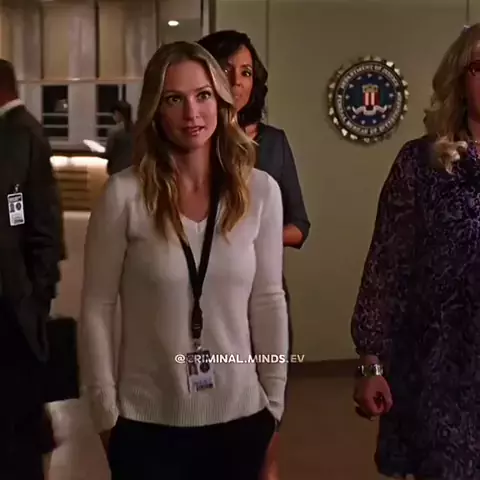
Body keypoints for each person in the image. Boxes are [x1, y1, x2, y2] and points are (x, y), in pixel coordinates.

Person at [78, 41, 288, 480]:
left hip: (241, 419)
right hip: (147, 426)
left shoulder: (261, 192)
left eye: (203, 95)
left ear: (221, 101)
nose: (192, 112)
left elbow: (268, 301)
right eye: (174, 99)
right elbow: (97, 307)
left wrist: (274, 405)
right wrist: (105, 413)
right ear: (156, 109)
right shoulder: (124, 196)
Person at [351, 24, 480, 480]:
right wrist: (371, 362)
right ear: (460, 79)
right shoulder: (421, 163)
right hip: (440, 375)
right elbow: (386, 268)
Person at [198, 29, 310, 479]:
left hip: (261, 304)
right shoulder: (189, 140)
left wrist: (250, 236)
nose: (236, 81)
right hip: (201, 307)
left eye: (245, 72)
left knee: (262, 442)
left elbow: (300, 227)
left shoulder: (273, 143)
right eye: (226, 69)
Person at [0, 59, 64, 479]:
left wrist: (35, 296)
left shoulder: (21, 133)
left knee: (16, 421)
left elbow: (37, 221)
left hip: (13, 303)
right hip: (15, 298)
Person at [105, 99, 134, 176]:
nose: (113, 117)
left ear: (118, 113)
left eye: (114, 114)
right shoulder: (137, 129)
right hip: (132, 170)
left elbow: (108, 153)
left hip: (117, 169)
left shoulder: (114, 131)